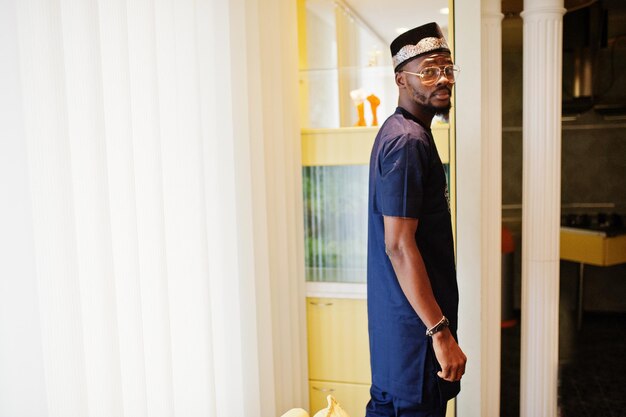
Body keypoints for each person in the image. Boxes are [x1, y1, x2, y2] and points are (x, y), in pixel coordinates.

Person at [366, 22, 467, 417]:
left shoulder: (406, 133)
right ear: (401, 80)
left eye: (447, 68)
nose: (442, 78)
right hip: (417, 344)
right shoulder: (407, 141)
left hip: (402, 345)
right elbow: (398, 245)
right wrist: (441, 334)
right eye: (428, 70)